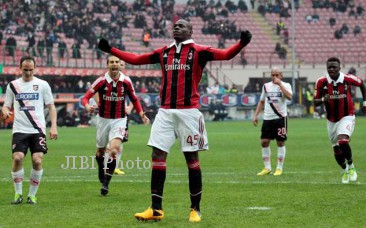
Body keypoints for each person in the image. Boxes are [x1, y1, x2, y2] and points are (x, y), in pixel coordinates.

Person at [98, 19, 252, 222]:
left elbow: (225, 54)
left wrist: (241, 43)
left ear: (191, 30)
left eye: (181, 26)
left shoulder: (199, 51)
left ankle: (195, 209)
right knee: (157, 155)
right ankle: (156, 209)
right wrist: (111, 49)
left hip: (189, 113)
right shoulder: (164, 52)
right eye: (175, 26)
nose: (176, 28)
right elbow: (136, 59)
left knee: (191, 159)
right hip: (165, 112)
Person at [81, 55, 150, 196]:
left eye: (116, 62)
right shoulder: (101, 81)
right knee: (100, 152)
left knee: (114, 149)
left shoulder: (126, 81)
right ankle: (101, 166)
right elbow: (85, 97)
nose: (114, 64)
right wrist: (87, 106)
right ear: (107, 64)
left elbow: (134, 99)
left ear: (120, 64)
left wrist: (142, 113)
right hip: (103, 119)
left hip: (119, 119)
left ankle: (106, 184)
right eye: (111, 62)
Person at [1, 56, 58, 204]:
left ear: (34, 68)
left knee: (37, 161)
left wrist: (53, 126)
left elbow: (51, 106)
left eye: (31, 70)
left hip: (38, 129)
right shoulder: (13, 86)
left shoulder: (42, 84)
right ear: (20, 68)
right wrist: (5, 111)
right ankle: (18, 194)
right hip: (19, 129)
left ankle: (32, 195)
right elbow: (6, 105)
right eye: (25, 70)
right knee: (18, 158)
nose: (28, 73)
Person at [313, 57, 366, 184]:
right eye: (329, 67)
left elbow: (362, 84)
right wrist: (323, 99)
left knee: (343, 141)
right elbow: (315, 102)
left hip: (347, 115)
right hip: (331, 120)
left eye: (334, 67)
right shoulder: (321, 82)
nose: (332, 69)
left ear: (339, 68)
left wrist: (365, 103)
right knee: (336, 148)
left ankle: (351, 166)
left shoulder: (347, 78)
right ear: (327, 68)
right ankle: (344, 170)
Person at [252, 67, 292, 176]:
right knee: (264, 142)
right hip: (267, 118)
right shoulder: (266, 86)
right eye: (272, 75)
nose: (274, 77)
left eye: (276, 75)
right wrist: (256, 115)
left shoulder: (286, 85)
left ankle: (279, 168)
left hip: (280, 118)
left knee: (280, 142)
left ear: (281, 75)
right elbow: (261, 101)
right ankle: (267, 168)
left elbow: (289, 97)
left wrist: (280, 85)